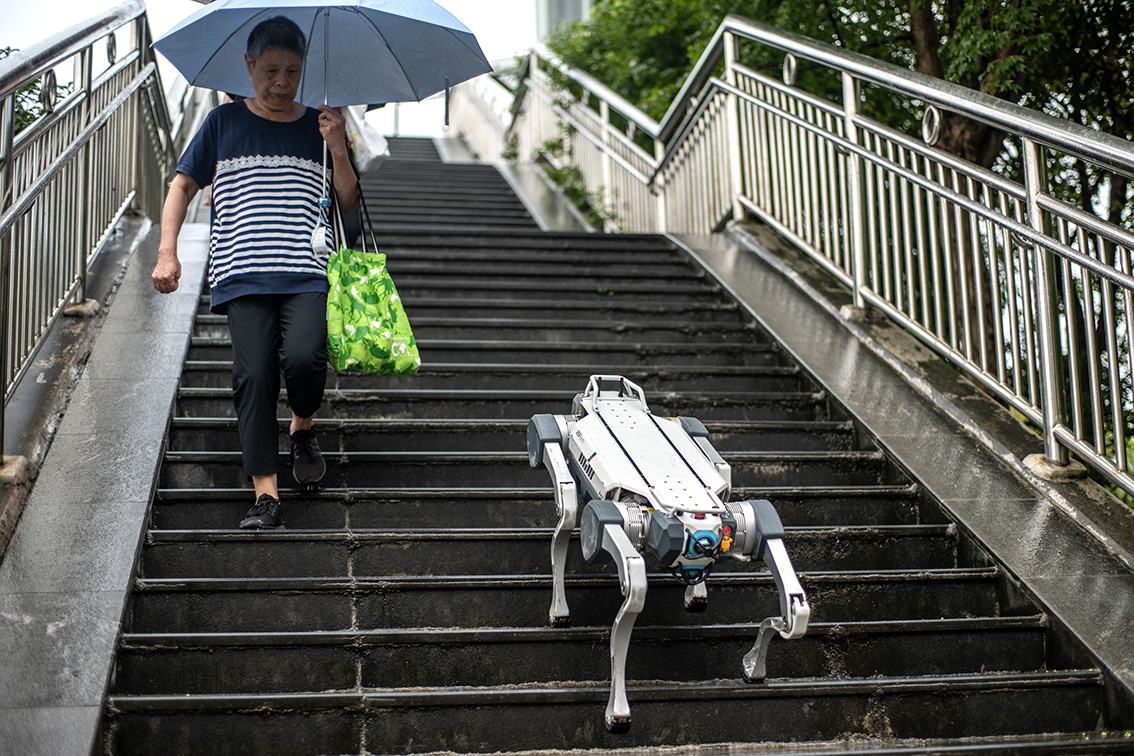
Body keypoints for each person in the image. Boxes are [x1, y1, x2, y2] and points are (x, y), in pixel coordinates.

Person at [151, 16, 359, 530]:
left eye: (292, 70)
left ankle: (302, 425)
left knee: (307, 357)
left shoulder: (322, 124)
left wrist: (337, 145)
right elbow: (181, 188)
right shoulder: (222, 123)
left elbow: (349, 201)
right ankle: (266, 494)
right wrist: (167, 252)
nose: (282, 82)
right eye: (270, 70)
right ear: (249, 67)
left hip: (308, 271)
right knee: (254, 375)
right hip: (241, 274)